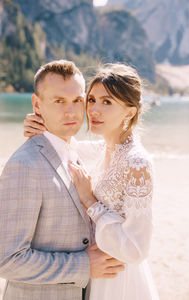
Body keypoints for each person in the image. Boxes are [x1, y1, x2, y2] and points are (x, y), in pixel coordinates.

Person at [24, 63, 159, 299]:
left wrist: (90, 201)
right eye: (91, 99)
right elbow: (64, 145)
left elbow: (137, 249)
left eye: (107, 102)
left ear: (129, 112)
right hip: (95, 271)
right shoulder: (98, 150)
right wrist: (39, 125)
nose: (93, 110)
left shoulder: (138, 163)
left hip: (119, 277)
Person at [0, 60, 125, 300]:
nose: (71, 112)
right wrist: (84, 265)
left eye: (78, 100)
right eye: (59, 101)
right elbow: (7, 259)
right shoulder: (24, 166)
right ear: (37, 104)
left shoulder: (78, 152)